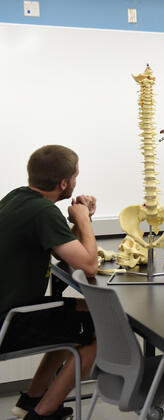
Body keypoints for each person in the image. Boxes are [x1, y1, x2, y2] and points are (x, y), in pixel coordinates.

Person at [0, 145, 99, 420]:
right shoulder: (43, 212)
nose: (76, 182)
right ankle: (43, 413)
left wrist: (82, 222)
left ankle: (31, 399)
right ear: (64, 183)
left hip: (12, 311)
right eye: (75, 177)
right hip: (9, 320)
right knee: (99, 327)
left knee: (76, 314)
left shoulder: (17, 198)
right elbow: (89, 264)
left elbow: (62, 249)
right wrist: (83, 220)